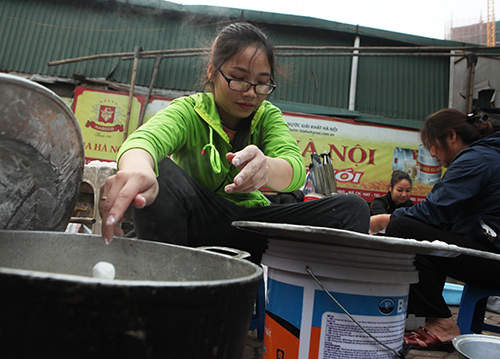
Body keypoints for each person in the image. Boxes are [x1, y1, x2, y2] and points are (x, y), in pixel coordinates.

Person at [99, 21, 369, 263]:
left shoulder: (267, 117)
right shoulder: (189, 111)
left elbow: (294, 167)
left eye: (262, 83)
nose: (251, 93)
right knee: (160, 173)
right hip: (200, 221)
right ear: (212, 71)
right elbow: (146, 140)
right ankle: (165, 283)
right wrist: (139, 169)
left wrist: (267, 168)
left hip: (255, 226)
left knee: (350, 208)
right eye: (239, 79)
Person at [370, 108, 500, 350]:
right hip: (490, 251)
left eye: (432, 144)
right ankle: (432, 318)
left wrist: (381, 221)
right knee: (428, 234)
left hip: (494, 259)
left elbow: (433, 213)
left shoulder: (476, 159)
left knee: (403, 228)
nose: (431, 153)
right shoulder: (488, 155)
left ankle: (441, 324)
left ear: (451, 136)